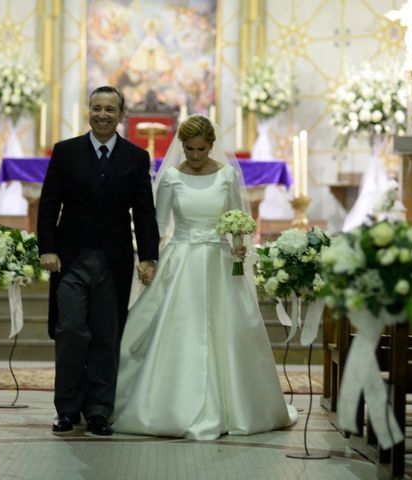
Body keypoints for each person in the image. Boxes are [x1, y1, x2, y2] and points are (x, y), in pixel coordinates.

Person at [112, 115, 299, 440]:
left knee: (225, 330)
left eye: (200, 149)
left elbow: (237, 219)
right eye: (188, 149)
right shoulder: (171, 177)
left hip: (219, 260)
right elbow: (157, 224)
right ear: (181, 146)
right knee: (179, 329)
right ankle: (168, 405)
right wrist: (148, 261)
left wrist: (240, 246)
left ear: (211, 146)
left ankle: (233, 405)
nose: (195, 156)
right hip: (181, 258)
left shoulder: (226, 176)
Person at [37, 85, 160, 436]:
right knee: (71, 330)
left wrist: (149, 255)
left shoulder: (136, 157)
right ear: (88, 111)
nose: (102, 115)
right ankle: (67, 408)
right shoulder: (66, 152)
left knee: (107, 334)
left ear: (122, 115)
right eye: (96, 108)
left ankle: (99, 410)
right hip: (70, 258)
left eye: (110, 109)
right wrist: (46, 247)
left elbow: (144, 211)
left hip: (114, 258)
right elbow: (49, 204)